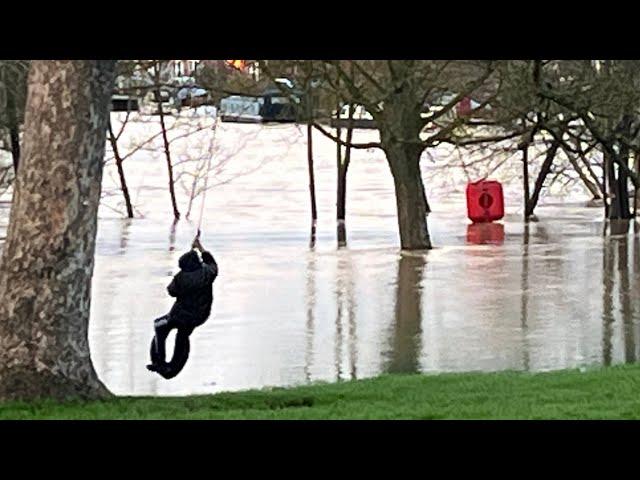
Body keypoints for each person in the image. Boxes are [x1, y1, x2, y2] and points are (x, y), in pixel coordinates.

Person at [147, 235, 218, 379]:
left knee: (160, 327)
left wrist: (180, 274)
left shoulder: (181, 278)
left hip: (180, 316)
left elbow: (171, 291)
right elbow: (212, 263)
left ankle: (159, 362)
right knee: (182, 336)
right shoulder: (208, 273)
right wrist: (200, 248)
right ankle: (171, 368)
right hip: (200, 316)